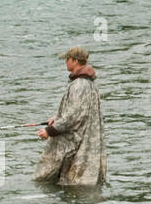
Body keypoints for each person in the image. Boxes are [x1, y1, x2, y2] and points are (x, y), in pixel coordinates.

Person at [34, 46, 106, 186]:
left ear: (75, 60)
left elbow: (72, 117)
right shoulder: (88, 83)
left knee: (55, 180)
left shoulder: (79, 85)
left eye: (67, 59)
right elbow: (79, 110)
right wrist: (57, 116)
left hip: (76, 140)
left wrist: (49, 131)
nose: (65, 62)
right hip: (84, 138)